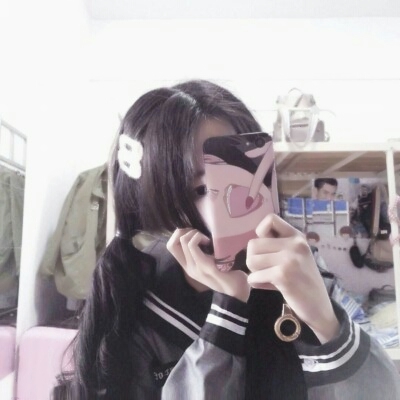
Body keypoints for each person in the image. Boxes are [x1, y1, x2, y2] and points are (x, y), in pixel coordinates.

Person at [53, 80, 400, 400]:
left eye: (244, 176)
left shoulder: (295, 265)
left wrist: (326, 321)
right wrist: (228, 311)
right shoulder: (135, 307)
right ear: (156, 201)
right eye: (200, 188)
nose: (235, 203)